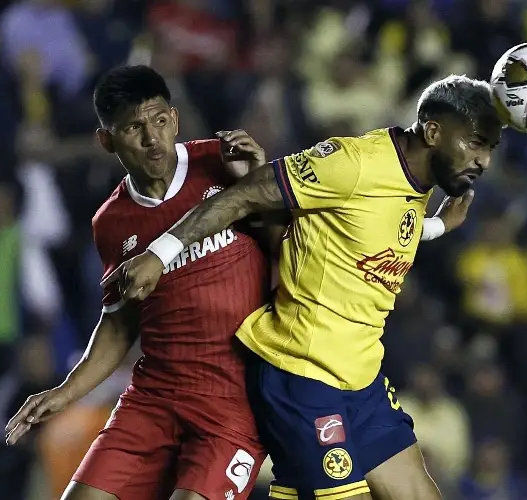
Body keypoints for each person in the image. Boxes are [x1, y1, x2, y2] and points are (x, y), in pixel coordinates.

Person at [106, 74, 502, 500]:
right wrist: (158, 255)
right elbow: (240, 197)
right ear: (433, 131)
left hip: (360, 380)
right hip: (303, 379)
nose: (484, 161)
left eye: (490, 149)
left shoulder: (416, 180)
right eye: (476, 143)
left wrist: (438, 225)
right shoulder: (353, 163)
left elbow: (377, 226)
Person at [4, 65, 271, 500]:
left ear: (175, 119)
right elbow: (119, 323)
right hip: (154, 397)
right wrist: (66, 391)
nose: (152, 139)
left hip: (231, 400)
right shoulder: (110, 223)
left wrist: (261, 184)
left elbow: (290, 250)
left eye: (160, 121)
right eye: (134, 128)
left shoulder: (222, 165)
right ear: (106, 140)